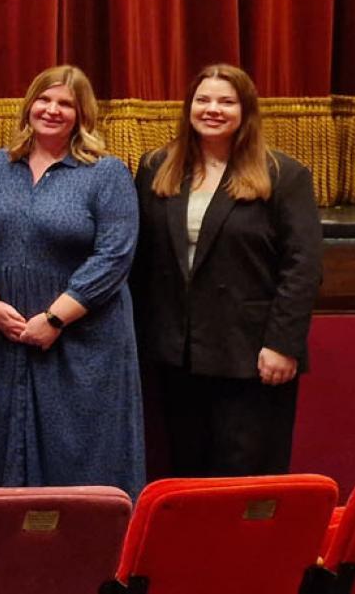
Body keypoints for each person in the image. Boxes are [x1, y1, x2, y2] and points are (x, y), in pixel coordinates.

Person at [133, 63, 323, 477]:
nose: (212, 109)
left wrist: (282, 344)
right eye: (203, 100)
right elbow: (142, 259)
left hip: (252, 356)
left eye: (226, 101)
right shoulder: (157, 168)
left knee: (244, 475)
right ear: (188, 108)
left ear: (246, 111)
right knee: (187, 472)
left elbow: (303, 266)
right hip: (178, 355)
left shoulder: (283, 175)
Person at [0, 64, 143, 497]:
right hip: (7, 335)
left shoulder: (106, 173)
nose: (53, 110)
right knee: (5, 449)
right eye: (45, 99)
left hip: (83, 340)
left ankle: (89, 554)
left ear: (82, 114)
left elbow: (115, 256)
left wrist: (55, 319)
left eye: (66, 103)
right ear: (29, 106)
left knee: (81, 454)